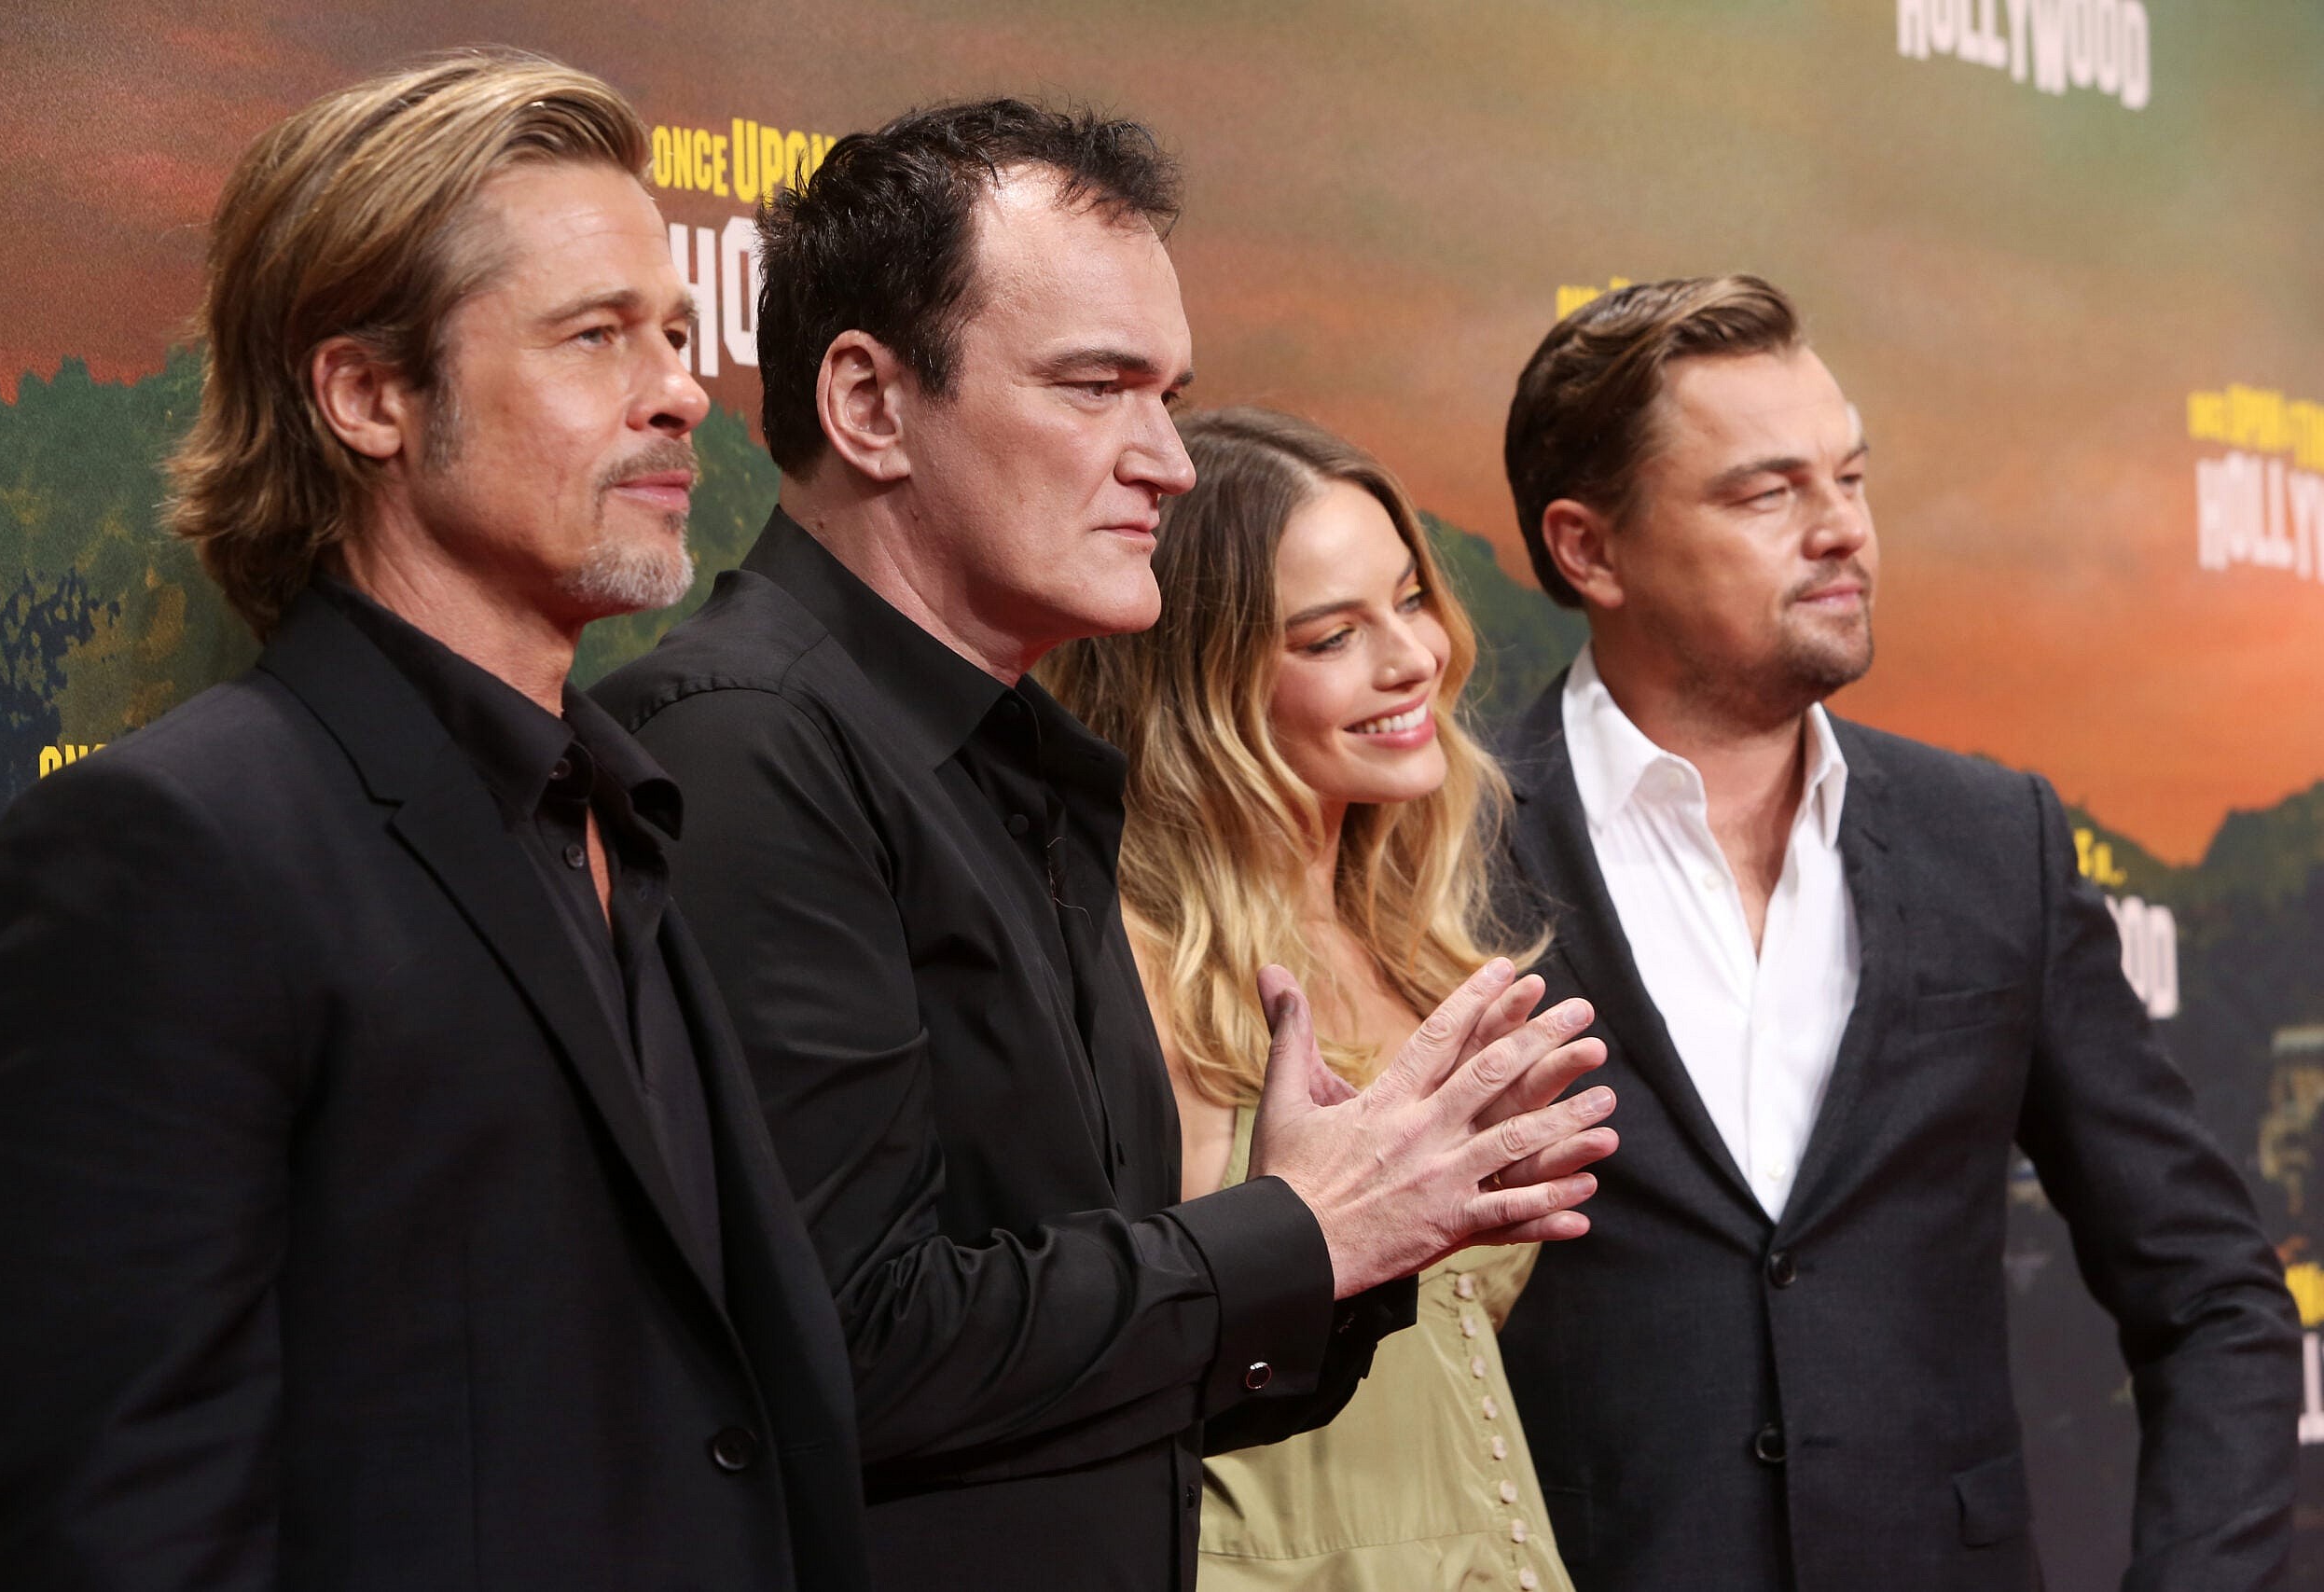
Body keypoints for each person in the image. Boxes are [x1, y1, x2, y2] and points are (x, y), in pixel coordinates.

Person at [592, 100, 1619, 1592]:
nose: (1169, 463)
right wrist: (1297, 1230)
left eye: (1170, 396)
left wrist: (1336, 1244)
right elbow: (844, 1336)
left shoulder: (1013, 763)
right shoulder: (742, 744)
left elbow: (1107, 1378)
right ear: (871, 405)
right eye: (1096, 389)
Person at [0, 51, 868, 1591]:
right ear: (369, 395)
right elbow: (106, 1530)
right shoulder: (165, 852)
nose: (682, 388)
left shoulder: (623, 813)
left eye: (678, 333)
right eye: (595, 336)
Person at [1491, 273, 2303, 1590]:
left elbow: (2217, 1293)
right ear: (1589, 549)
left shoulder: (1993, 841)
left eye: (1851, 478)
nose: (1842, 532)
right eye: (1767, 493)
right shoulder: (1431, 844)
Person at [1044, 406, 1586, 1592]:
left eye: (1409, 599)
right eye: (1332, 635)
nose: (1413, 658)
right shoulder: (1135, 962)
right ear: (1200, 679)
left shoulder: (1418, 946)